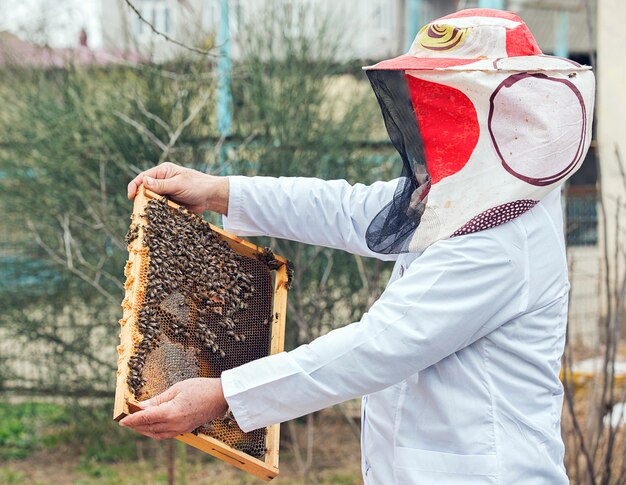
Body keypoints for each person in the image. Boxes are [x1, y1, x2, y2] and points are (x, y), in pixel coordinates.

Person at [120, 9, 595, 484]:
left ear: (497, 109)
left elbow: (382, 345)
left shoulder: (502, 237)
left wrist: (227, 393)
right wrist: (222, 190)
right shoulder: (467, 195)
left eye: (444, 102)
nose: (429, 117)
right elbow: (348, 208)